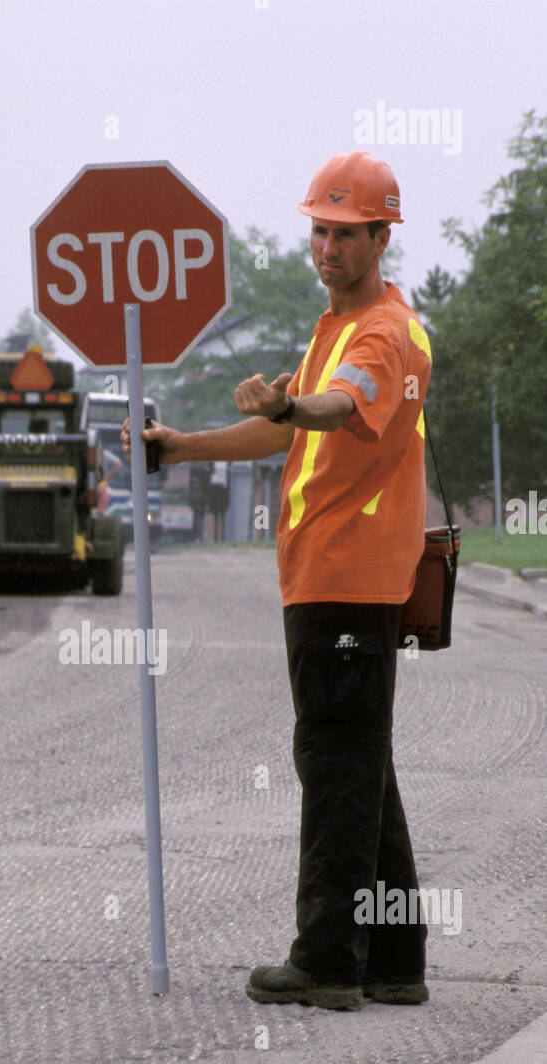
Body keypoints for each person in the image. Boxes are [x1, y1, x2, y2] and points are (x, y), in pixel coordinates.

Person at [122, 152, 432, 1012]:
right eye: (320, 230)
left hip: (348, 578)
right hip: (329, 578)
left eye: (345, 234)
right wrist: (183, 444)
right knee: (363, 761)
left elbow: (336, 407)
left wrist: (294, 408)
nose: (327, 247)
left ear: (381, 236)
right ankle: (397, 960)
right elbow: (286, 431)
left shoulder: (383, 335)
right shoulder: (335, 326)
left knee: (334, 761)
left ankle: (328, 960)